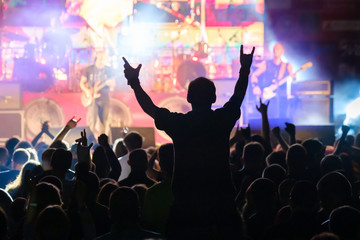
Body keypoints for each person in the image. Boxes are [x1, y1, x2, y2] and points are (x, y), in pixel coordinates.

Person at [123, 45, 254, 239]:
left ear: (188, 97)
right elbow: (237, 98)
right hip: (221, 208)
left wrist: (134, 82)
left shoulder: (180, 124)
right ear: (214, 98)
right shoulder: (221, 121)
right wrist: (244, 70)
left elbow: (150, 108)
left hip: (185, 209)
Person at [251, 43, 295, 118]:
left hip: (282, 97)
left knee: (282, 119)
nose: (275, 51)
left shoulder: (287, 65)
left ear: (282, 51)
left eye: (278, 49)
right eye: (274, 49)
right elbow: (254, 75)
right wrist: (255, 86)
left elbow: (294, 80)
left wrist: (293, 77)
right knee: (269, 118)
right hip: (268, 98)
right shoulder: (266, 64)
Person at [80, 50, 115, 139]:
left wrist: (110, 83)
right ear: (96, 58)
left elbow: (113, 84)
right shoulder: (89, 69)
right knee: (92, 121)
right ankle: (89, 141)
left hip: (104, 98)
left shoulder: (108, 70)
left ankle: (104, 141)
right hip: (92, 98)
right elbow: (82, 83)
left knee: (104, 121)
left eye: (104, 59)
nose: (102, 60)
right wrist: (87, 91)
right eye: (100, 58)